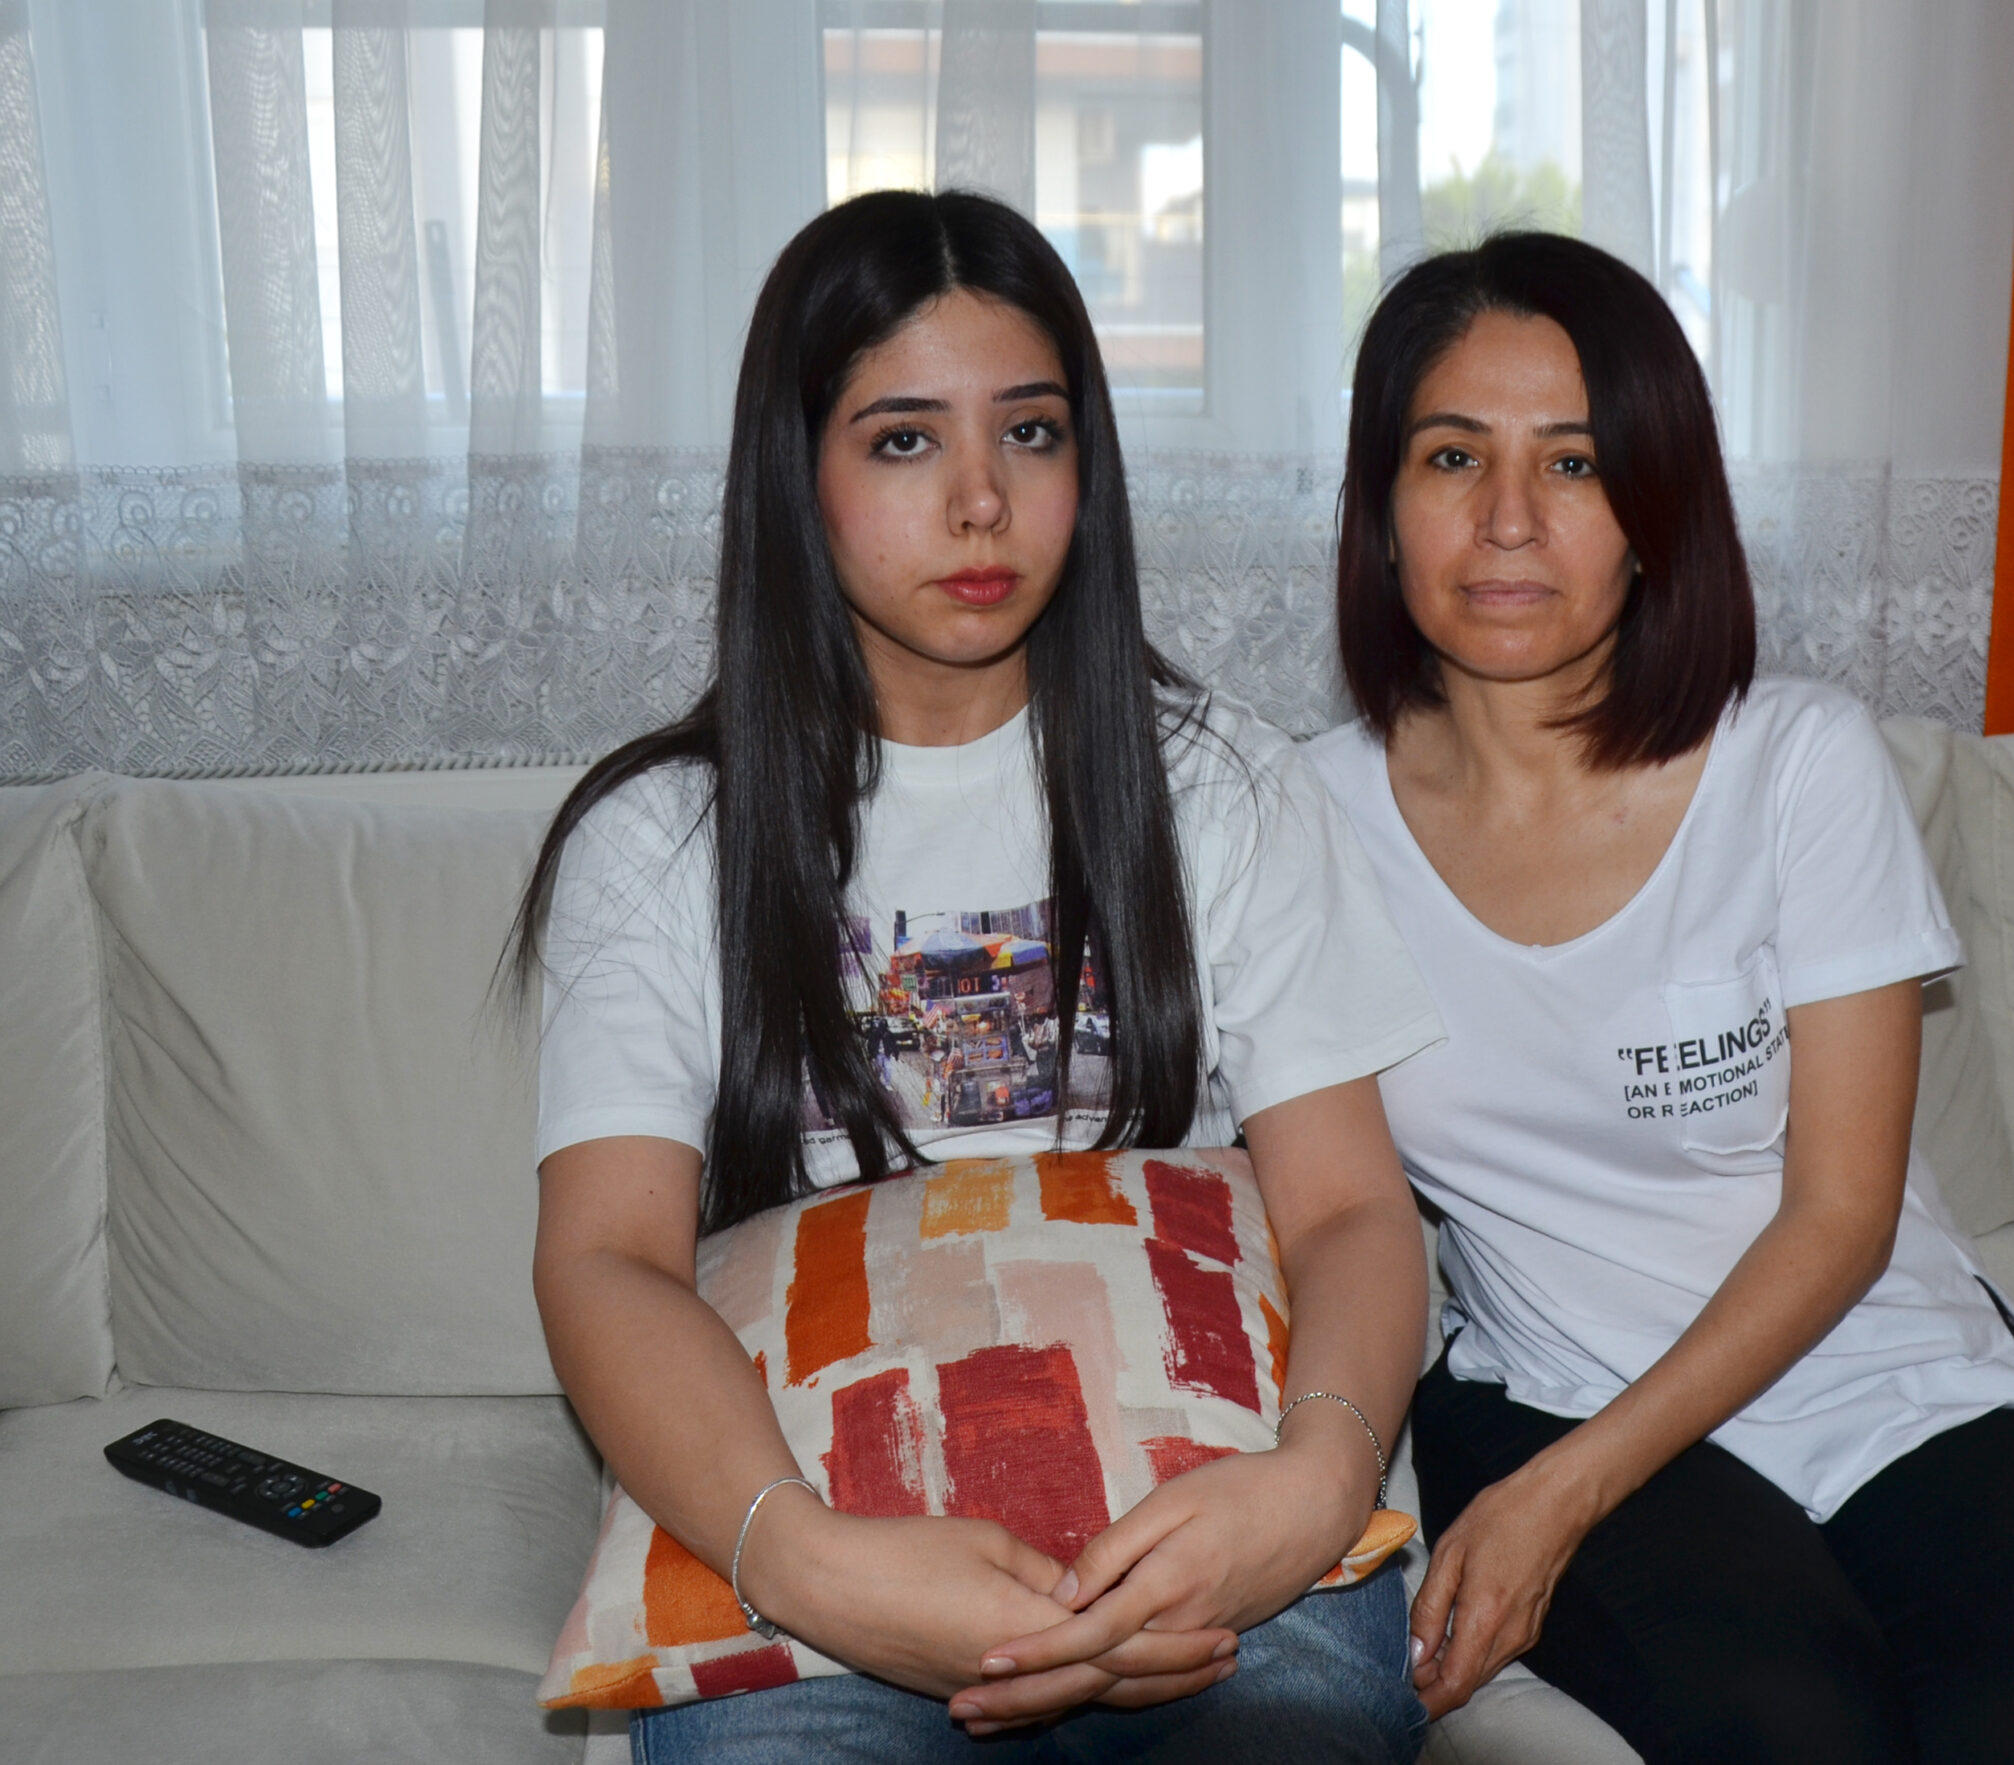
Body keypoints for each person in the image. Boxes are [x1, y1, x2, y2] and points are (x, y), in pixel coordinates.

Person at [515, 190, 1439, 1764]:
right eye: (902, 440)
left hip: (1216, 1539)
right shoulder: (659, 838)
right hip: (827, 1561)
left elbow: (1354, 1206)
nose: (980, 502)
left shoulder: (1226, 788)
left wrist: (1314, 1482)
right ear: (794, 474)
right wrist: (811, 1561)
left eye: (1029, 431)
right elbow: (605, 1260)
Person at [1302, 232, 2014, 1765]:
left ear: (1658, 512)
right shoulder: (1310, 822)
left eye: (1575, 462)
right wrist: (1536, 1475)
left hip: (1898, 1372)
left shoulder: (1797, 764)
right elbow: (1313, 1199)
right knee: (1795, 1730)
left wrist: (1563, 1501)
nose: (1509, 519)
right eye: (1454, 456)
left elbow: (1843, 1213)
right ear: (1382, 507)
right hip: (1552, 1384)